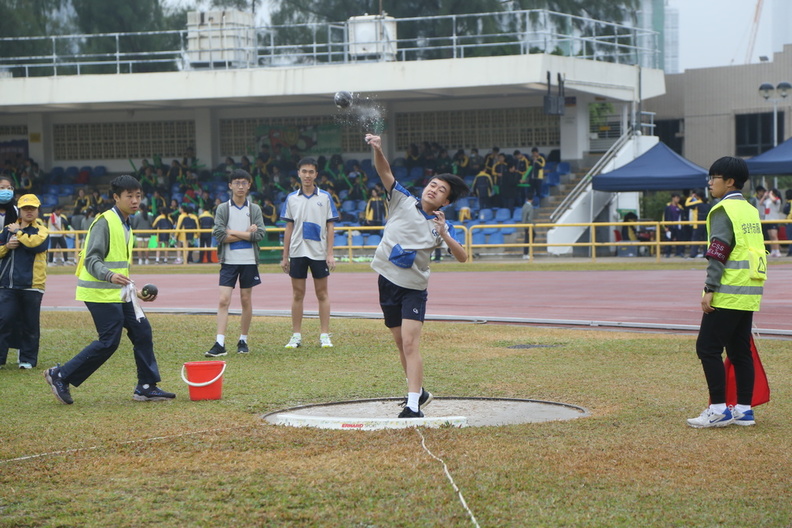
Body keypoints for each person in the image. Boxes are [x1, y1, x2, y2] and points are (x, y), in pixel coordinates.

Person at [43, 175, 175, 405]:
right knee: (109, 341)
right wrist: (109, 276)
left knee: (142, 331)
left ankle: (146, 387)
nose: (135, 201)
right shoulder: (104, 222)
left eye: (138, 196)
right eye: (129, 196)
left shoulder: (126, 223)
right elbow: (91, 259)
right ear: (116, 197)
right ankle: (60, 375)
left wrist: (135, 291)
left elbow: (119, 266)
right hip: (99, 292)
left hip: (119, 292)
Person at [366, 133, 470, 419]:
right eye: (432, 184)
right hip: (387, 282)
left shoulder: (440, 225)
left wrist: (445, 234)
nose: (434, 190)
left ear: (446, 201)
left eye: (441, 190)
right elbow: (384, 171)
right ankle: (419, 392)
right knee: (401, 344)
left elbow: (462, 256)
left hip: (413, 289)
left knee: (411, 343)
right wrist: (378, 149)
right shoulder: (402, 199)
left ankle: (413, 406)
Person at [687, 157, 766, 428]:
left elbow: (718, 250)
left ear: (729, 181)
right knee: (739, 350)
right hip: (750, 290)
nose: (710, 182)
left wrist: (710, 288)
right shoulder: (750, 210)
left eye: (714, 177)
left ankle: (718, 409)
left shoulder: (722, 210)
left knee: (707, 348)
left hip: (727, 290)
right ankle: (743, 410)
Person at [205, 169, 266, 357]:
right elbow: (219, 235)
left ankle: (243, 340)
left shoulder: (254, 209)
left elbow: (260, 235)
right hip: (229, 261)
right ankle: (219, 343)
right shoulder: (223, 208)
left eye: (244, 183)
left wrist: (233, 232)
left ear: (249, 185)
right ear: (230, 185)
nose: (240, 186)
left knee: (246, 300)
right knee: (223, 300)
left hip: (249, 261)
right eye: (237, 183)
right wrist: (247, 233)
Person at [280, 157, 339, 349]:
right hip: (298, 252)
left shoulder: (325, 197)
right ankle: (296, 335)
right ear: (298, 173)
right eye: (304, 171)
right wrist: (285, 256)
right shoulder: (291, 198)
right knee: (298, 294)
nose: (307, 175)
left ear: (316, 174)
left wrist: (330, 253)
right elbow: (289, 228)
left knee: (322, 293)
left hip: (319, 253)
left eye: (311, 172)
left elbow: (330, 226)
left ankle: (324, 335)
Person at [0, 194, 49, 369]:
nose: (29, 211)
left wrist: (18, 233)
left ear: (37, 210)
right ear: (19, 210)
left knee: (30, 324)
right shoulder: (7, 230)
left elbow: (36, 244)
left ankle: (27, 359)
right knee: (3, 320)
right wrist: (6, 247)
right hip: (7, 284)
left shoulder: (41, 230)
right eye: (25, 208)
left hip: (32, 285)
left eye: (32, 208)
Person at [762, 188, 783, 258]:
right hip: (767, 220)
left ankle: (777, 250)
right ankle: (773, 250)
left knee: (774, 236)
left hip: (774, 220)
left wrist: (770, 194)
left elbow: (773, 200)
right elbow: (761, 203)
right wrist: (764, 196)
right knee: (770, 236)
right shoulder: (767, 200)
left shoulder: (777, 199)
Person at [663, 193, 685, 257]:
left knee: (679, 239)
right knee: (669, 240)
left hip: (678, 226)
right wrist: (665, 226)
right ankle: (668, 253)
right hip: (670, 226)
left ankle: (679, 252)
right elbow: (665, 217)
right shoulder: (668, 207)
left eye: (679, 198)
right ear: (673, 198)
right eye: (676, 198)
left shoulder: (680, 207)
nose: (678, 199)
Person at [521, 191, 535, 260]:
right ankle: (527, 253)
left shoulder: (524, 206)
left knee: (528, 238)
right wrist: (532, 224)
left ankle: (527, 253)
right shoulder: (530, 207)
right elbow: (530, 218)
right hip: (528, 225)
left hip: (525, 224)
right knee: (528, 239)